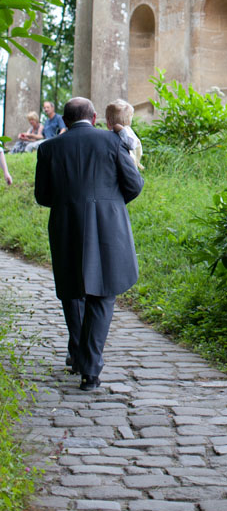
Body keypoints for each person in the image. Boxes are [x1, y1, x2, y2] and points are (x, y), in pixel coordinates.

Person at [34, 96, 144, 391]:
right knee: (102, 294)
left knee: (72, 291)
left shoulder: (48, 148)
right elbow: (134, 184)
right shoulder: (111, 141)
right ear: (94, 117)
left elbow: (42, 197)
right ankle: (90, 369)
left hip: (66, 226)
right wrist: (110, 204)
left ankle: (78, 354)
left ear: (65, 121)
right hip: (108, 227)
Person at [105, 99, 143, 170]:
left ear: (108, 120)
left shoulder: (126, 131)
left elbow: (132, 145)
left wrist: (122, 131)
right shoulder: (113, 132)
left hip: (128, 165)